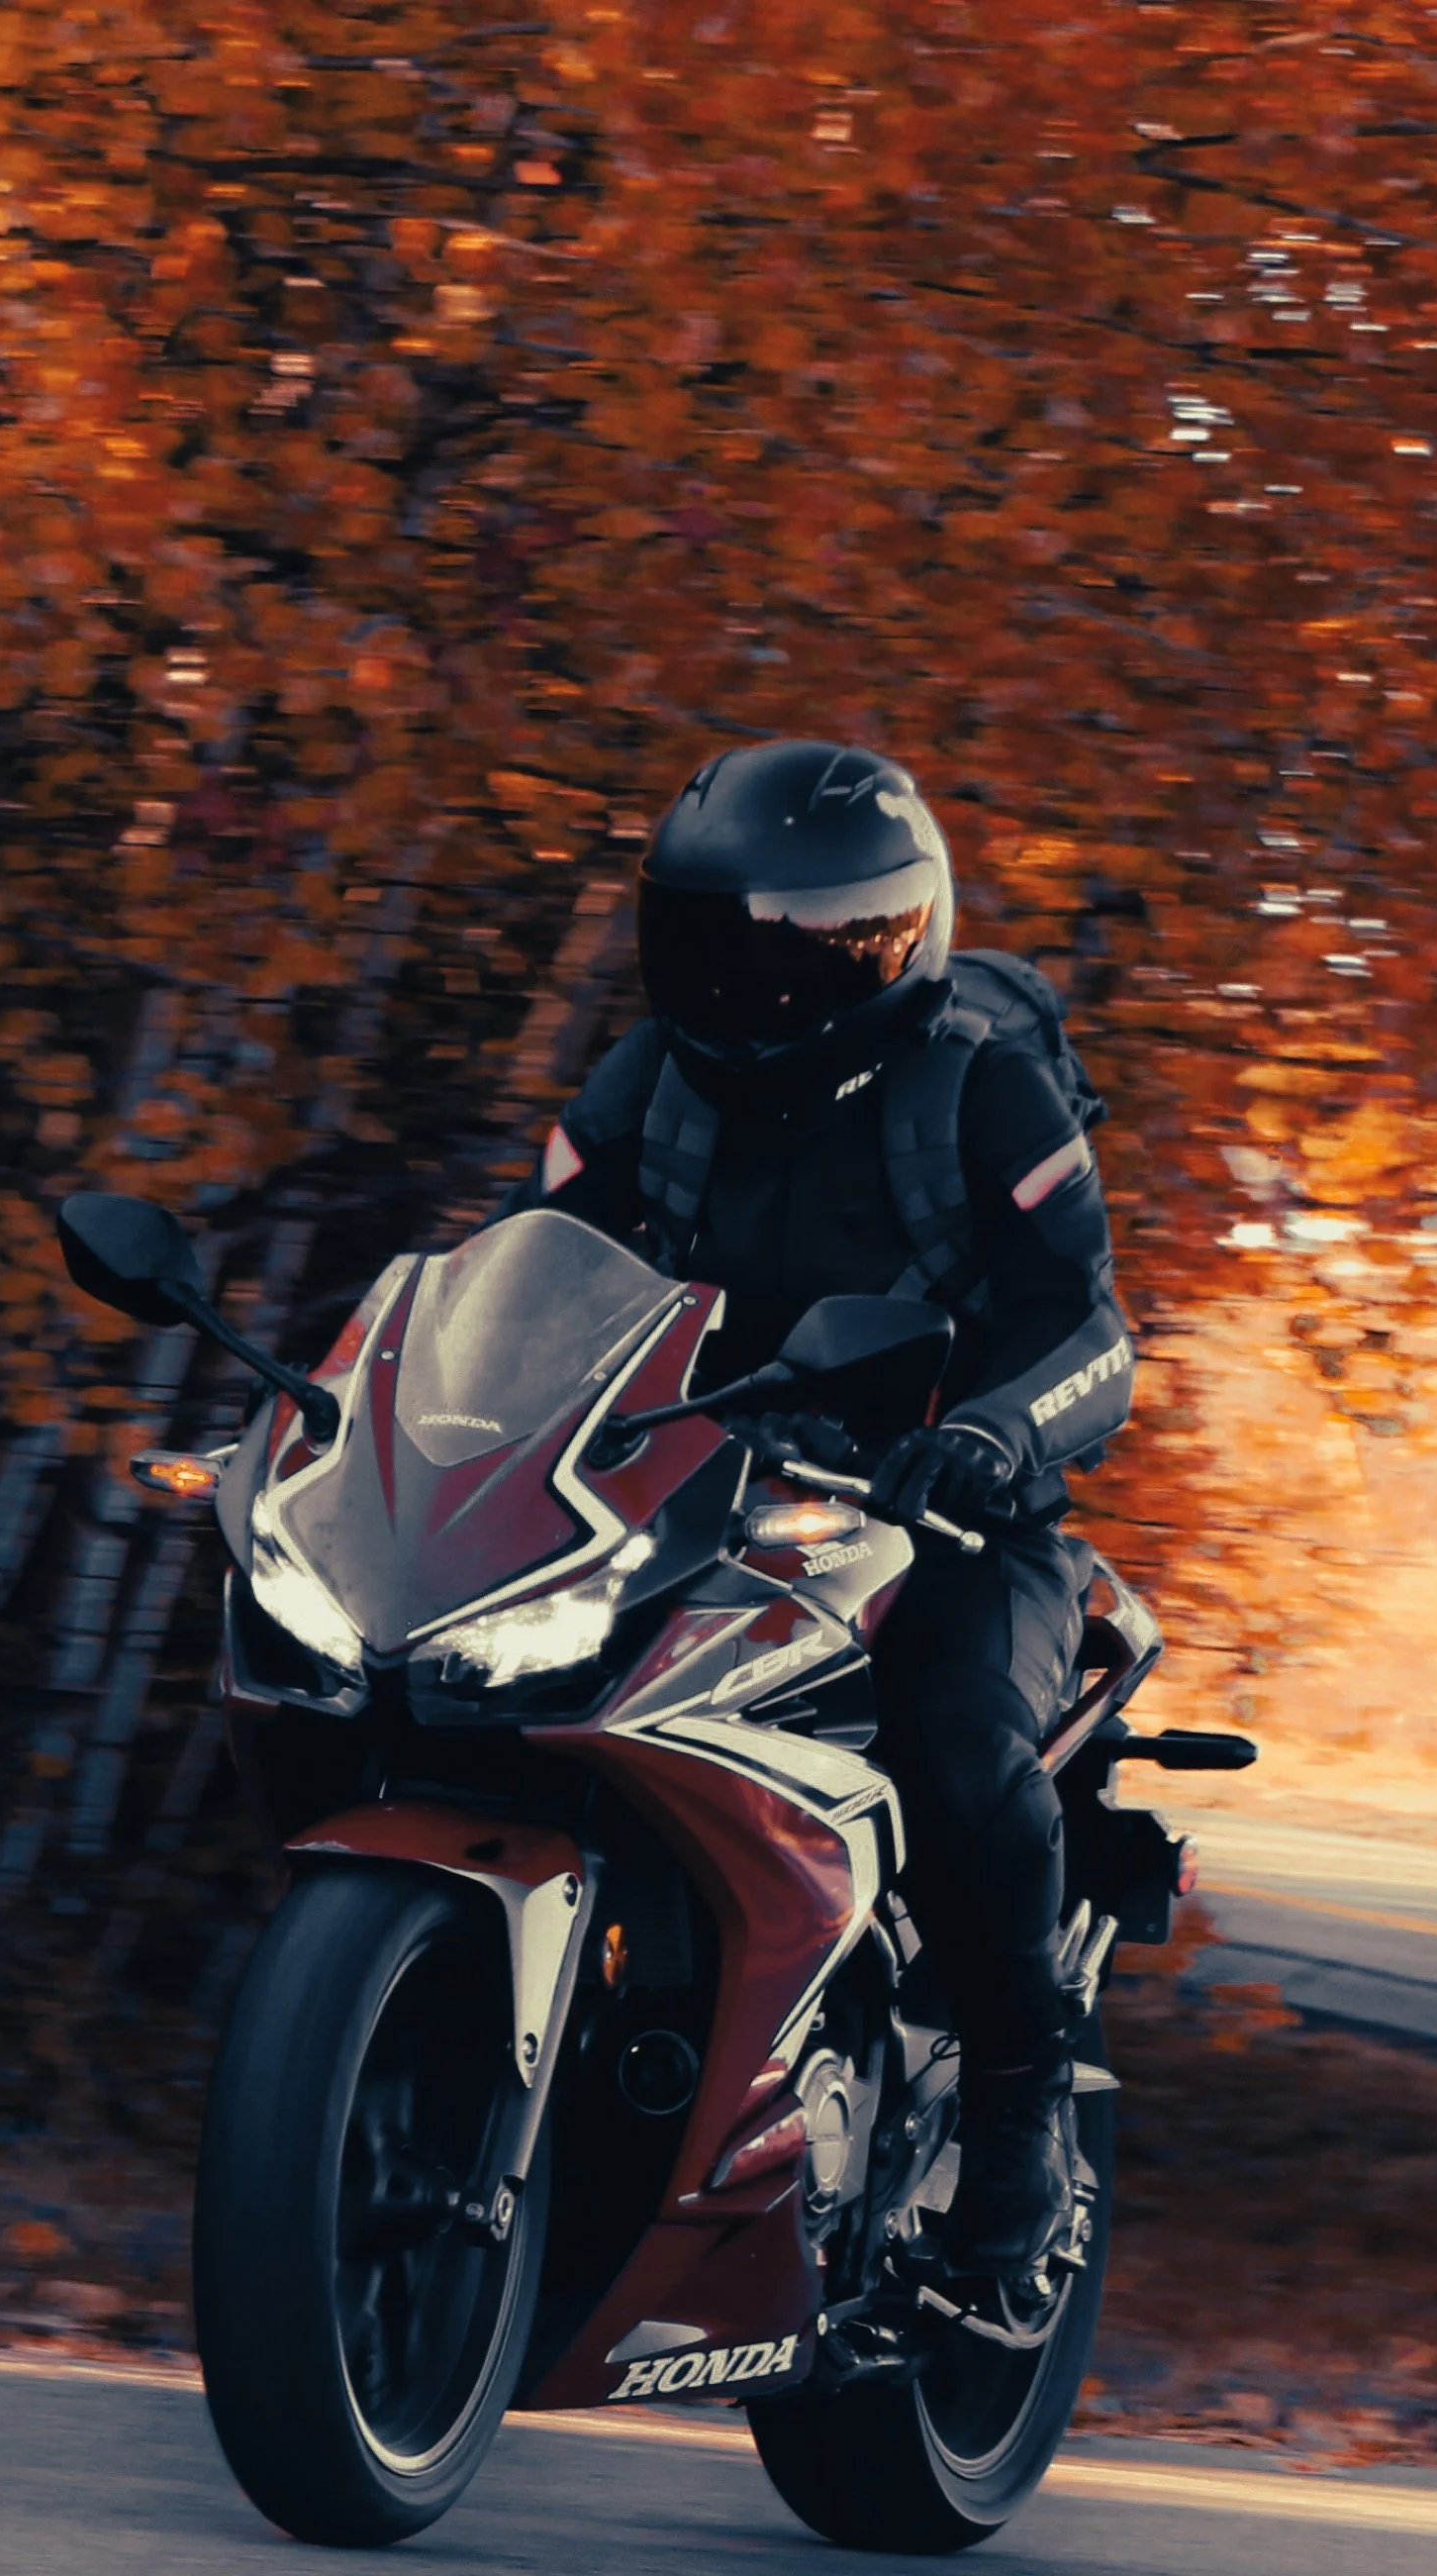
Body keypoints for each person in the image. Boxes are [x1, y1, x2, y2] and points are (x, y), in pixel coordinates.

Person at [509, 738, 1135, 2277]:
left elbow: (1090, 1332)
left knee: (955, 1742)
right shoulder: (646, 1082)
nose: (749, 981)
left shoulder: (981, 1092)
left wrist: (987, 1435)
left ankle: (1019, 2116)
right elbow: (518, 1274)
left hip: (952, 1519)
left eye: (798, 946)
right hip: (693, 1492)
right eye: (709, 938)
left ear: (895, 940)